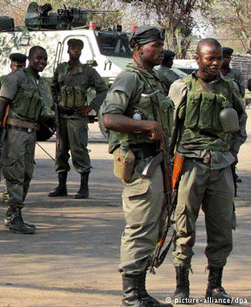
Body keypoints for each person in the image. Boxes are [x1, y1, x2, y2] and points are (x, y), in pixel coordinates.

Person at [168, 38, 247, 303]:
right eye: (209, 58)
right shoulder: (182, 87)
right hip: (190, 164)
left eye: (218, 58)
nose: (215, 63)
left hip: (221, 166)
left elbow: (240, 120)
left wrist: (233, 150)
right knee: (183, 227)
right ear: (197, 58)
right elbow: (171, 128)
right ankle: (182, 287)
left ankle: (215, 286)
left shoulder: (230, 87)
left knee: (222, 229)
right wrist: (170, 164)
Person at [101, 25, 173, 307]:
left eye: (161, 45)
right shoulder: (130, 78)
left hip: (157, 163)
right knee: (140, 228)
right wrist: (147, 126)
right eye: (155, 45)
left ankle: (141, 292)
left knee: (153, 228)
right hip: (141, 165)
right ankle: (131, 295)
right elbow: (109, 118)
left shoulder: (152, 79)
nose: (160, 50)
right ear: (138, 48)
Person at [0, 46, 50, 235]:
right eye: (38, 58)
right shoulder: (15, 78)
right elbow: (0, 107)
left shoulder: (39, 82)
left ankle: (13, 215)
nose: (42, 62)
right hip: (15, 132)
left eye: (44, 59)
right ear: (30, 58)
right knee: (15, 174)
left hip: (30, 133)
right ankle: (15, 216)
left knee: (26, 174)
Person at [48, 38, 108, 199]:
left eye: (78, 48)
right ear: (67, 50)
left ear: (81, 51)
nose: (75, 50)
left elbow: (102, 89)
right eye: (72, 47)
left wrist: (91, 107)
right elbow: (53, 87)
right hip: (62, 116)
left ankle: (84, 187)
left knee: (79, 150)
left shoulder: (88, 71)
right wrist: (55, 103)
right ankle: (61, 186)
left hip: (77, 117)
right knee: (60, 151)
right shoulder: (60, 69)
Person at [0, 53, 27, 204]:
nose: (19, 69)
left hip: (17, 129)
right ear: (11, 65)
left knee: (16, 164)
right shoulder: (0, 82)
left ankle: (10, 193)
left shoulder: (26, 83)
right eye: (17, 66)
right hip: (2, 127)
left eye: (22, 66)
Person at [221, 46, 246, 184]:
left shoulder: (236, 74)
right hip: (219, 114)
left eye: (227, 57)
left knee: (232, 144)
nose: (225, 60)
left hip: (232, 114)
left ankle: (232, 171)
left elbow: (241, 92)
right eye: (223, 57)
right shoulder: (214, 74)